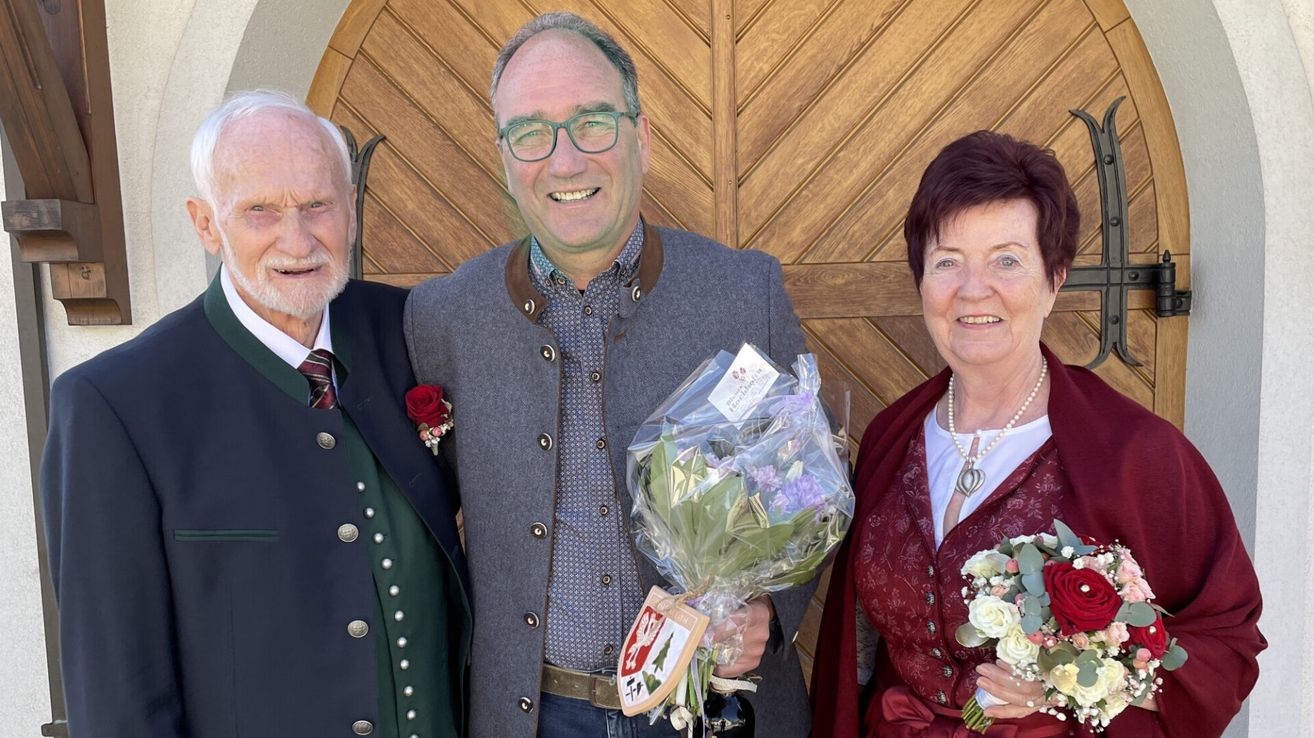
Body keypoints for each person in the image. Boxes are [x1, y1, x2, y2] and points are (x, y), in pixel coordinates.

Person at [404, 12, 814, 737]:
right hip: (532, 717)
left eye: (592, 122)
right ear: (505, 160)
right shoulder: (442, 318)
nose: (565, 161)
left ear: (642, 139)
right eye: (531, 133)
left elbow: (810, 485)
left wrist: (769, 612)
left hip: (715, 706)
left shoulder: (744, 293)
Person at [40, 90, 470, 738]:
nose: (296, 239)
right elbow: (118, 705)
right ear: (206, 223)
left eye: (317, 205)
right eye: (260, 211)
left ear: (350, 210)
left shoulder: (412, 334)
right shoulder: (117, 406)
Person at [810, 130, 1265, 738]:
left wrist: (1079, 678)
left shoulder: (1137, 455)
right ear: (921, 278)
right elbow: (861, 645)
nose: (974, 289)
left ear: (1054, 279)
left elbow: (1226, 644)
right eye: (947, 261)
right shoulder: (893, 437)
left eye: (1007, 260)